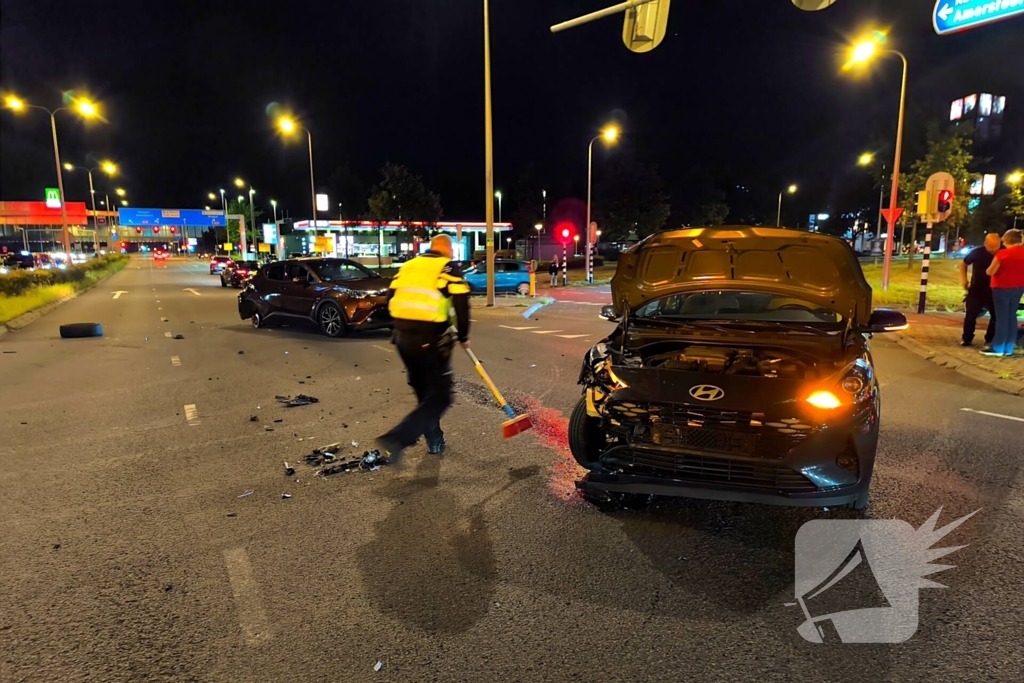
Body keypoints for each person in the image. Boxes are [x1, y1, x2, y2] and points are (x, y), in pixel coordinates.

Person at [376, 234, 470, 460]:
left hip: (401, 338)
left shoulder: (407, 266)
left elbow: (390, 299)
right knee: (440, 397)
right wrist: (463, 334)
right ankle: (398, 438)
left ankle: (434, 440)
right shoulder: (446, 267)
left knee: (424, 393)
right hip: (429, 338)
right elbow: (462, 303)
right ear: (447, 250)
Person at [984, 229, 1024, 357]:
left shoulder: (1003, 254)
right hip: (1018, 288)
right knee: (1012, 316)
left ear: (1007, 241)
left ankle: (998, 347)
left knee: (1002, 318)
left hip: (1001, 288)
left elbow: (990, 271)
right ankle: (1009, 348)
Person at [959, 233, 1001, 349]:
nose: (993, 250)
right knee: (971, 314)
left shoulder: (1003, 252)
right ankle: (967, 338)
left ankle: (990, 339)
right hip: (977, 288)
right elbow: (964, 263)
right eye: (991, 246)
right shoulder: (977, 252)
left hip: (995, 289)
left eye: (996, 246)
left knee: (995, 316)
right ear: (985, 244)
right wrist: (964, 280)